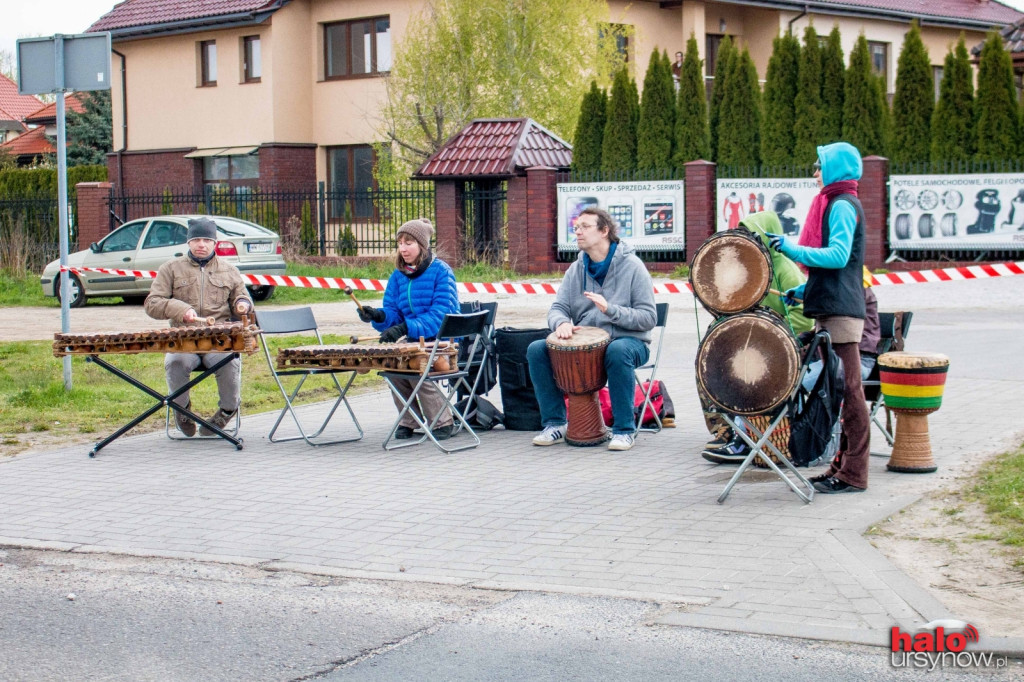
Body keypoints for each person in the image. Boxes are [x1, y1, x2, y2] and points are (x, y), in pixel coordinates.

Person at [769, 141, 871, 494]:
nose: (815, 173)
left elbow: (840, 256)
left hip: (842, 312)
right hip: (831, 306)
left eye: (819, 166)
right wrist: (803, 292)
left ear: (835, 169)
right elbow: (830, 268)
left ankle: (854, 474)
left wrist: (792, 248)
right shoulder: (835, 202)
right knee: (839, 391)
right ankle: (841, 467)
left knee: (851, 394)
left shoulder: (842, 204)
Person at [527, 208, 657, 451]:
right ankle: (555, 423)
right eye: (576, 227)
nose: (578, 232)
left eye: (585, 226)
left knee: (617, 351)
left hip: (629, 342)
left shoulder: (633, 267)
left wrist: (611, 310)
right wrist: (561, 323)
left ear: (604, 231)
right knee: (537, 349)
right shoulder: (576, 269)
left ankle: (623, 430)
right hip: (586, 346)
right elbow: (557, 308)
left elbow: (648, 318)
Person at [699, 211, 814, 464]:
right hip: (753, 342)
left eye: (752, 235)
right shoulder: (747, 269)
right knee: (710, 357)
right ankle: (725, 429)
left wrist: (769, 334)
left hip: (782, 347)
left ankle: (744, 438)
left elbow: (805, 318)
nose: (746, 240)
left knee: (745, 369)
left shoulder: (786, 269)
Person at [145, 217, 253, 437]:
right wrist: (179, 309)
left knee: (228, 361)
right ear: (188, 243)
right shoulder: (170, 269)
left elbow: (243, 299)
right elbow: (152, 304)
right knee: (175, 362)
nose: (201, 244)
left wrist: (243, 304)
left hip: (218, 341)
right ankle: (182, 411)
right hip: (183, 341)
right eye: (196, 239)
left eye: (206, 239)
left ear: (214, 243)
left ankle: (227, 410)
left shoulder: (229, 271)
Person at [355, 219, 460, 441]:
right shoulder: (398, 276)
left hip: (443, 341)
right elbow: (394, 313)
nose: (402, 248)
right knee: (393, 362)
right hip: (414, 339)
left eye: (409, 243)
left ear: (422, 245)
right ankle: (409, 419)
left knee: (415, 362)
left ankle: (443, 421)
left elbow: (441, 316)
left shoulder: (441, 272)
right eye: (400, 243)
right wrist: (379, 316)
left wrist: (404, 327)